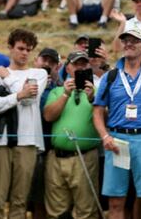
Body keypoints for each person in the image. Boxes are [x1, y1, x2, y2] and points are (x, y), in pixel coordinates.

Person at [93, 28, 141, 219]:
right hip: (117, 139)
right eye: (125, 40)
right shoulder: (110, 76)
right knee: (116, 201)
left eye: (134, 41)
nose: (128, 44)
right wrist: (105, 136)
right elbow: (97, 111)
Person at [0, 29, 46, 219]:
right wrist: (19, 95)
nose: (25, 53)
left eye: (29, 49)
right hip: (0, 141)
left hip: (28, 141)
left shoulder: (39, 72)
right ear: (10, 47)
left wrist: (8, 79)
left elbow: (31, 99)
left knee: (20, 199)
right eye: (20, 48)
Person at [42, 51, 99, 219]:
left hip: (85, 157)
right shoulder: (57, 91)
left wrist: (92, 98)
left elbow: (106, 118)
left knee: (86, 211)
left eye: (84, 64)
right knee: (55, 211)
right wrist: (66, 94)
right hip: (56, 158)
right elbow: (48, 116)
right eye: (76, 64)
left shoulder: (97, 91)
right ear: (68, 68)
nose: (80, 68)